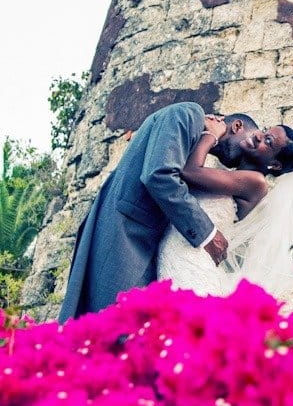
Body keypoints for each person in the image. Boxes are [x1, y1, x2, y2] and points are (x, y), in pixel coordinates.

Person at [58, 102, 254, 322]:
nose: (240, 159)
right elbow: (159, 175)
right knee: (114, 328)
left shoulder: (189, 133)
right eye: (252, 140)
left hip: (138, 238)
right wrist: (208, 233)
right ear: (237, 125)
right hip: (125, 236)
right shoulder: (188, 113)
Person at [157, 122, 293, 304]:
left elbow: (190, 172)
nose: (258, 135)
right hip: (182, 247)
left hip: (193, 259)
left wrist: (212, 134)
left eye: (268, 141)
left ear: (275, 165)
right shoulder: (231, 173)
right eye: (264, 131)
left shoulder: (256, 183)